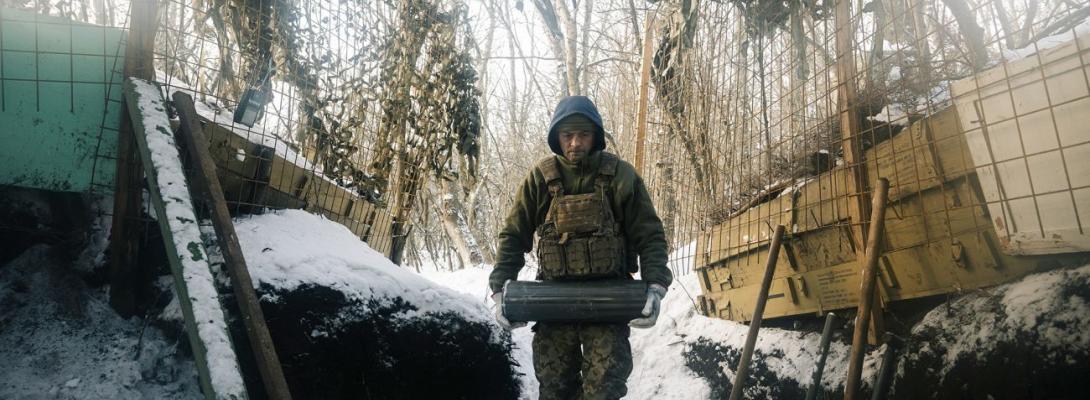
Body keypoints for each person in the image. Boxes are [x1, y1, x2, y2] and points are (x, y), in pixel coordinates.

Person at [488, 95, 674, 400]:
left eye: (584, 134)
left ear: (595, 136)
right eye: (567, 135)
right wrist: (500, 290)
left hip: (610, 299)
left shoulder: (621, 175)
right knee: (555, 388)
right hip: (553, 301)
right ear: (557, 137)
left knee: (604, 389)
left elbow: (649, 234)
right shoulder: (540, 178)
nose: (575, 142)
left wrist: (655, 285)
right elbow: (513, 234)